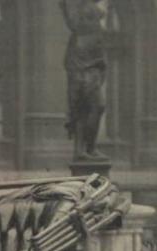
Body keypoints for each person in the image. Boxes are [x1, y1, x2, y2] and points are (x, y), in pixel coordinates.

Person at [61, 0, 108, 161]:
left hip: (94, 61)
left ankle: (88, 148)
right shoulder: (80, 10)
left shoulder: (93, 12)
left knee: (91, 107)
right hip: (81, 63)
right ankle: (84, 149)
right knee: (88, 106)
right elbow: (72, 20)